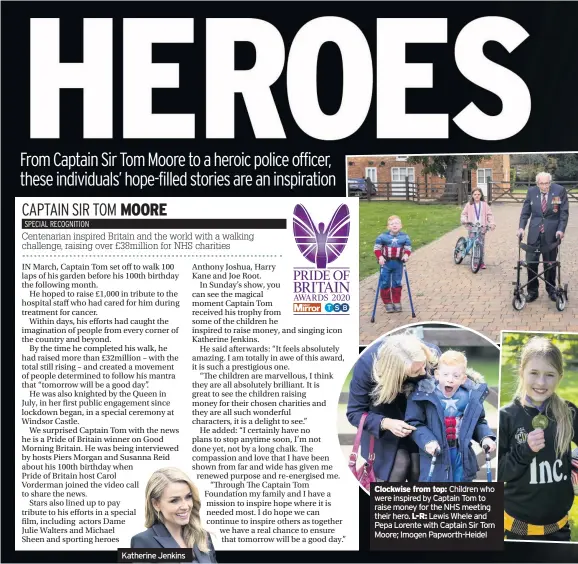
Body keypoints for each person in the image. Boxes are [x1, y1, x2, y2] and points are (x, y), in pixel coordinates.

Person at [498, 337, 578, 542]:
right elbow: (501, 472)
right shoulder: (506, 416)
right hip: (517, 529)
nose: (541, 383)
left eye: (549, 375)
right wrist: (525, 450)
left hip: (559, 529)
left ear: (559, 377)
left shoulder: (568, 413)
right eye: (534, 373)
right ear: (521, 372)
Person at [346, 333, 440, 482]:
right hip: (384, 423)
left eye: (423, 365)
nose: (423, 372)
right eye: (416, 371)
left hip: (422, 422)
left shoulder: (430, 354)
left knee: (419, 468)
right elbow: (354, 412)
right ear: (394, 372)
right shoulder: (367, 365)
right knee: (399, 465)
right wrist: (386, 423)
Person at [405, 350, 496, 482]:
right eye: (445, 374)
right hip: (435, 456)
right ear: (437, 374)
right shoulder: (424, 395)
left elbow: (478, 422)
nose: (450, 379)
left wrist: (485, 437)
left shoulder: (470, 397)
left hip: (461, 455)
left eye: (456, 376)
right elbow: (414, 422)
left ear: (464, 378)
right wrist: (427, 441)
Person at [131, 468, 217, 562]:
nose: (185, 506)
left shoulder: (202, 536)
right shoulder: (143, 541)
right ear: (156, 504)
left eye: (188, 497)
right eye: (174, 500)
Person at [517, 172, 569, 302]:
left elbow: (563, 213)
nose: (545, 186)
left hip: (551, 234)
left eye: (547, 183)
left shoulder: (559, 191)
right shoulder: (531, 192)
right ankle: (532, 292)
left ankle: (551, 290)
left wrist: (561, 230)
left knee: (550, 264)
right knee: (531, 263)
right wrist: (521, 228)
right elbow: (525, 213)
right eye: (542, 183)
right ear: (537, 183)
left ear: (550, 182)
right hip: (534, 233)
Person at [373, 215, 411, 313]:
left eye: (397, 223)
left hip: (398, 263)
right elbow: (377, 248)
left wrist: (406, 255)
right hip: (386, 263)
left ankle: (397, 301)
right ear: (388, 227)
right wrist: (380, 257)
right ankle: (387, 302)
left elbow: (408, 248)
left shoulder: (405, 237)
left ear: (401, 225)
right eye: (392, 224)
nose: (394, 225)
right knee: (385, 282)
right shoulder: (382, 237)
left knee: (397, 282)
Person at [460, 187, 496, 269]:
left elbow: (490, 215)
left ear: (481, 195)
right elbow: (464, 214)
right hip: (472, 227)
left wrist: (492, 223)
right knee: (473, 244)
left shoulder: (484, 205)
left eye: (478, 194)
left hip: (481, 227)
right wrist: (464, 220)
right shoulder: (469, 205)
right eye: (475, 194)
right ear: (472, 195)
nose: (477, 196)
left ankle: (481, 262)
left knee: (481, 245)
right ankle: (475, 262)